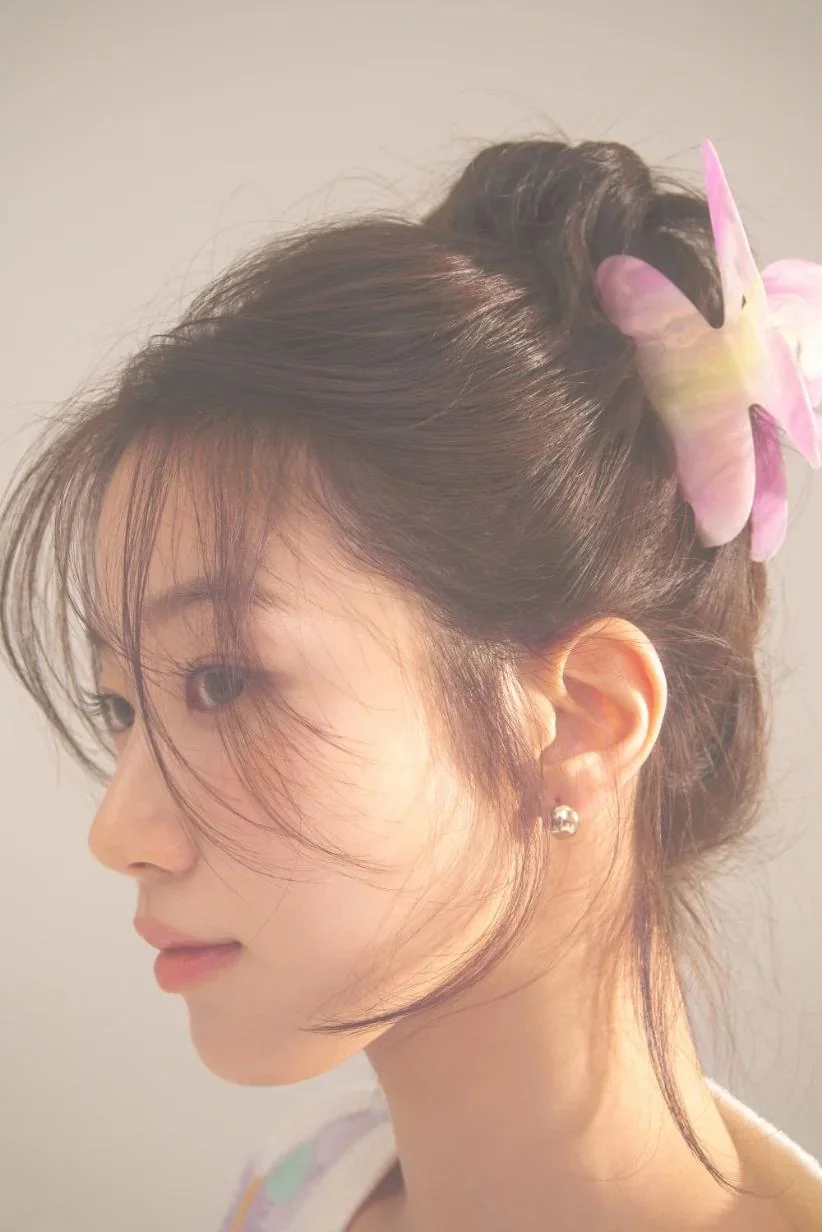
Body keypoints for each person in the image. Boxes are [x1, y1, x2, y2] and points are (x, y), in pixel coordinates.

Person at [0, 134, 820, 1232]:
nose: (119, 833)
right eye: (119, 706)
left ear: (579, 718)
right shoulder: (296, 1192)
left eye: (224, 681)